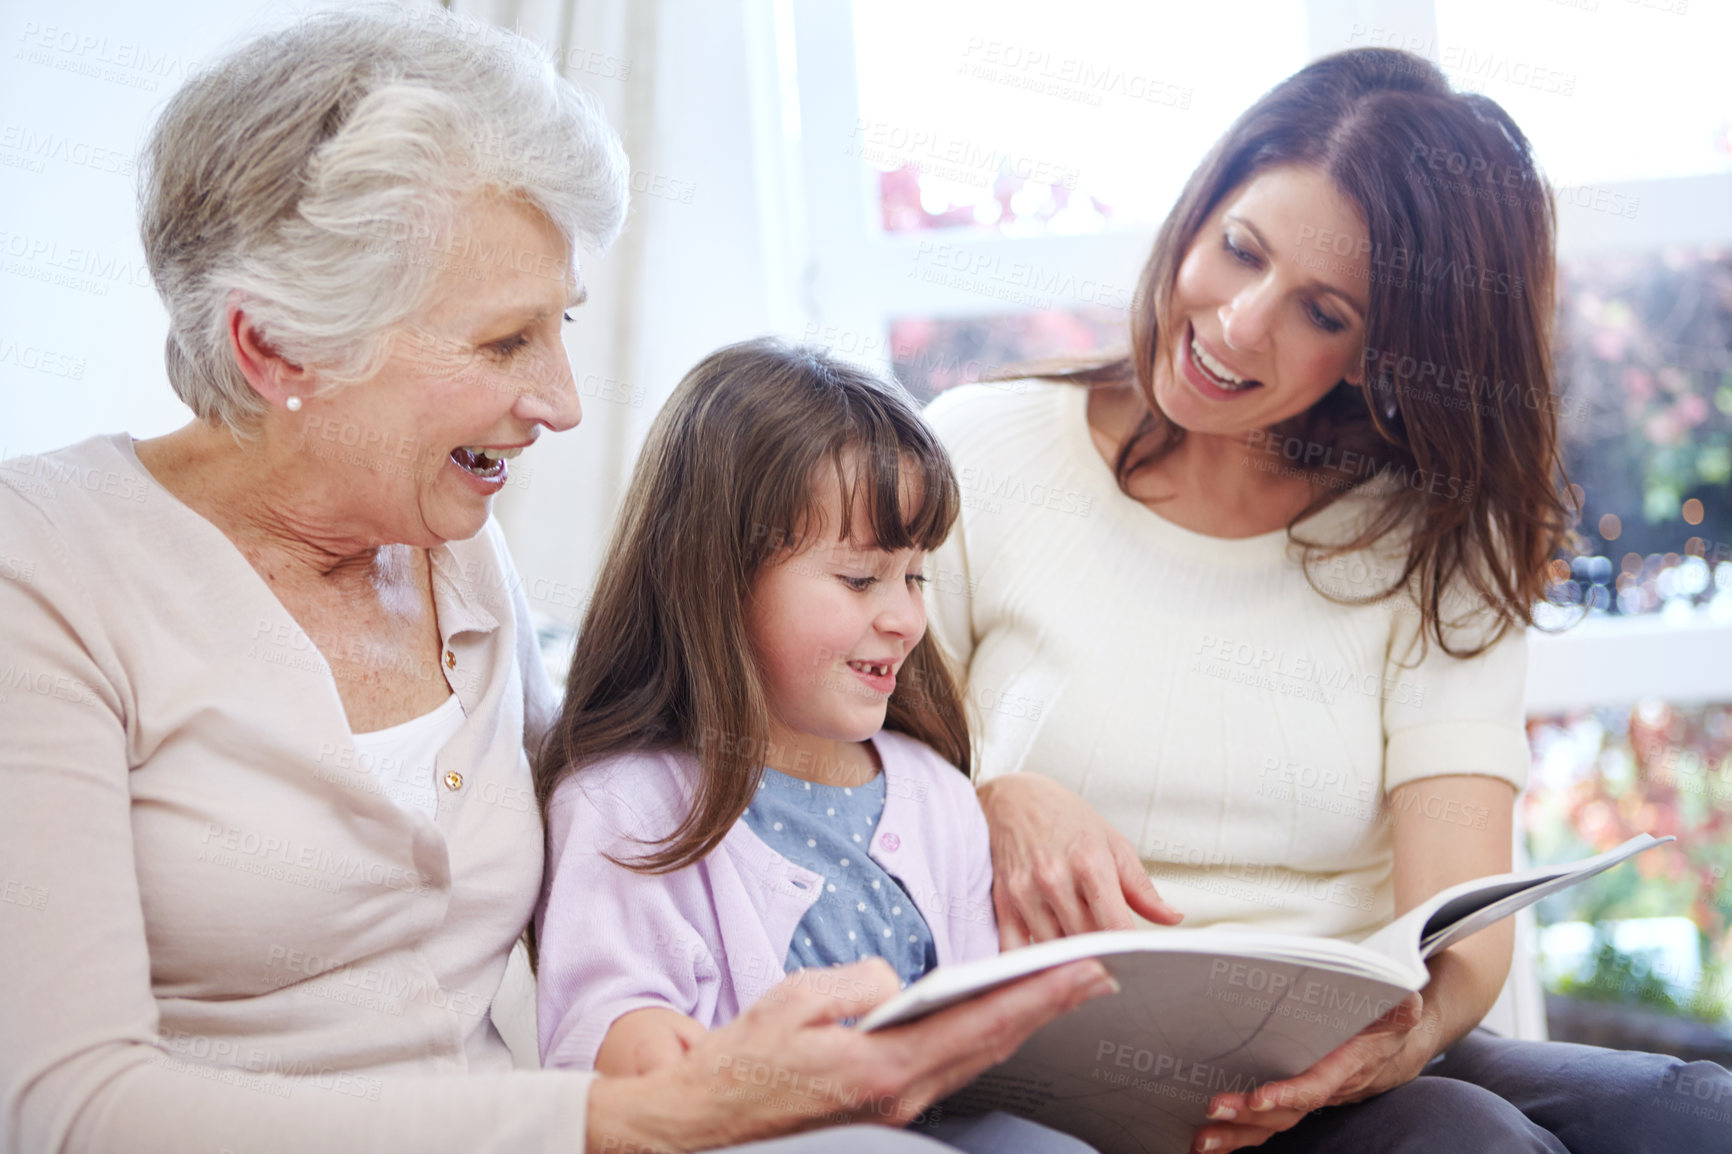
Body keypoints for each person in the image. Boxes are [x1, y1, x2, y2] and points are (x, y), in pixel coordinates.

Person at [0, 10, 1110, 1154]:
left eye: (561, 325)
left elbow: (639, 791)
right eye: (502, 343)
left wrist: (979, 808)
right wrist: (625, 1114)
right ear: (278, 348)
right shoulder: (42, 571)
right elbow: (69, 1108)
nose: (563, 400)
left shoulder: (448, 541)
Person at [920, 46, 1732, 1154]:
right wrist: (987, 797)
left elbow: (1463, 924)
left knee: (1670, 1116)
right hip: (1033, 1054)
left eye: (1322, 310)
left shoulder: (1433, 530)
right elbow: (829, 791)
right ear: (1200, 208)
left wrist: (1397, 1041)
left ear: (1376, 352)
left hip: (1320, 1068)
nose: (1240, 323)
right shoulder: (979, 451)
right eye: (1238, 249)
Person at [533, 339, 1104, 1153]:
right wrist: (659, 1051)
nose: (906, 617)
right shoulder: (626, 804)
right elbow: (607, 1028)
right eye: (861, 579)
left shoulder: (932, 790)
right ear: (718, 577)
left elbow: (973, 1033)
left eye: (915, 577)